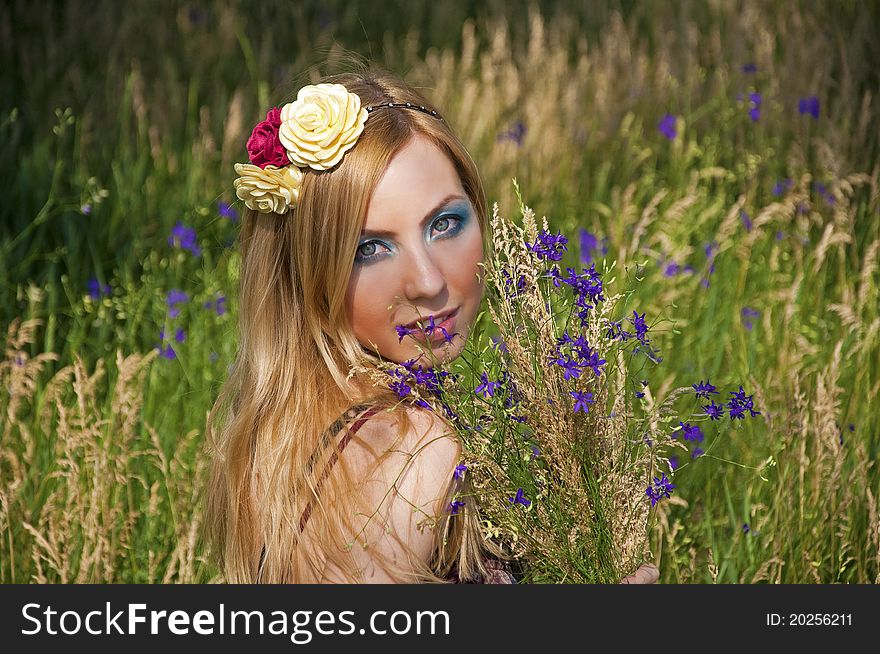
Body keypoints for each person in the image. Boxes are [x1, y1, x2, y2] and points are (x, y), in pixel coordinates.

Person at [205, 65, 659, 585]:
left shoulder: (288, 435)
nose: (425, 281)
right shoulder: (410, 448)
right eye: (369, 249)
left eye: (445, 224)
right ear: (308, 277)